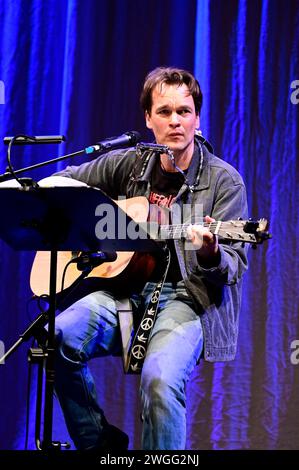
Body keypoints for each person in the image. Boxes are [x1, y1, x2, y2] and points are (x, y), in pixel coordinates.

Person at [52, 66, 248, 450]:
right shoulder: (130, 164)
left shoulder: (225, 181)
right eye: (164, 111)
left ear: (197, 117)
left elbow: (234, 266)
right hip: (122, 289)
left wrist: (210, 253)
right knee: (57, 335)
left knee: (159, 380)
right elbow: (68, 182)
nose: (175, 121)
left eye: (184, 111)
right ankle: (101, 448)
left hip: (186, 298)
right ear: (147, 118)